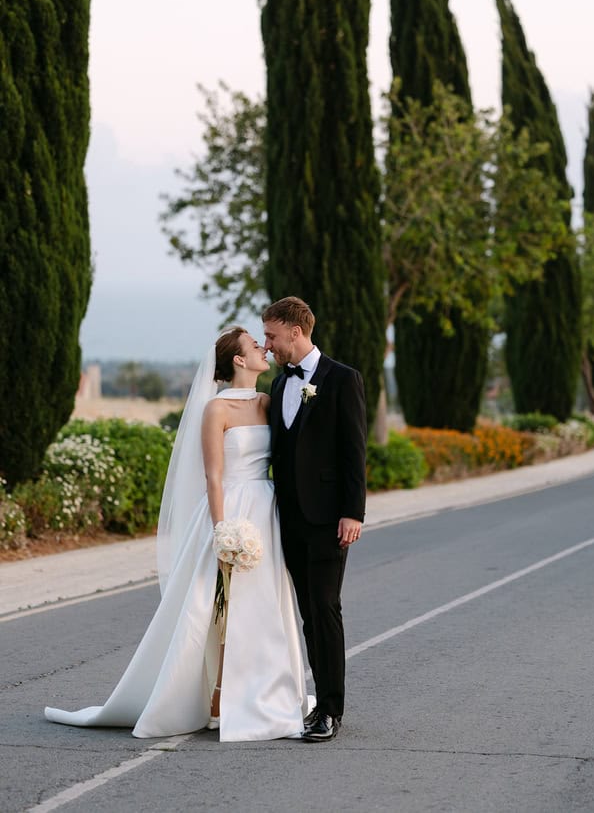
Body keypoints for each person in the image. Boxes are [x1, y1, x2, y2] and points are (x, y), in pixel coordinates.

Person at [44, 328, 308, 742]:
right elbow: (213, 476)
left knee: (263, 603)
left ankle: (264, 692)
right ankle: (215, 695)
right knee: (214, 607)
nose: (263, 348)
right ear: (238, 361)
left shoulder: (269, 402)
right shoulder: (216, 410)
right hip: (231, 512)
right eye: (254, 346)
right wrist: (223, 530)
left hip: (265, 510)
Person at [262, 297, 367, 743]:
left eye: (271, 335)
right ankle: (315, 701)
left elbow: (354, 451)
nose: (268, 344)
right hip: (288, 518)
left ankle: (329, 709)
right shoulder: (279, 382)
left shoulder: (342, 379)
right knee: (306, 611)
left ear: (295, 330)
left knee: (325, 608)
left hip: (329, 518)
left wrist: (352, 512)